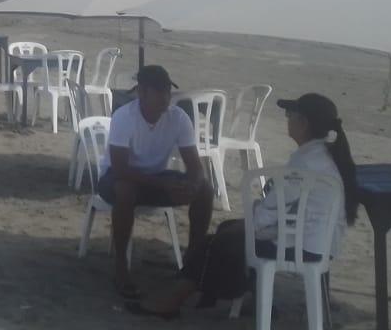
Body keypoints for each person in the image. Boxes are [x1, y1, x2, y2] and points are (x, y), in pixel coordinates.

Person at [137, 91, 359, 318]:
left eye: (290, 114)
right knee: (228, 229)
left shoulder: (305, 163)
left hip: (302, 245)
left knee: (221, 242)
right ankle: (247, 297)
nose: (287, 119)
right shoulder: (324, 155)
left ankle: (177, 296)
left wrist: (250, 220)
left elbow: (266, 215)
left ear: (303, 124)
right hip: (317, 241)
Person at [98, 64, 215, 300]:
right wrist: (163, 185)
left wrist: (192, 184)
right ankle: (121, 266)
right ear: (142, 92)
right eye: (159, 92)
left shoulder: (178, 118)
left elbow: (195, 166)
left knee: (205, 190)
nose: (165, 98)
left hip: (155, 177)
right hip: (117, 177)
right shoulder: (124, 117)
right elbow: (120, 168)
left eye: (167, 92)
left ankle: (192, 264)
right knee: (125, 191)